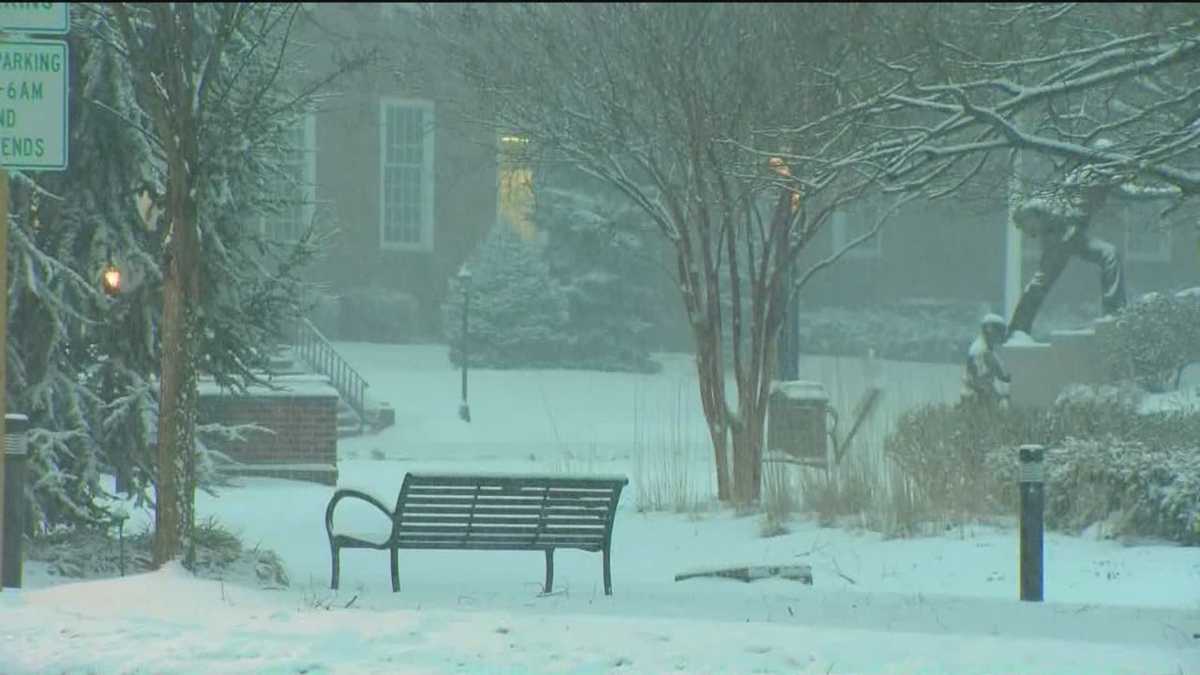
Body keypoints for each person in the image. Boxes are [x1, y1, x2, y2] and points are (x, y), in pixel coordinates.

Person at [1006, 140, 1181, 339]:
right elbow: (1131, 192)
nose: (1114, 162)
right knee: (1043, 281)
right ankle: (1017, 329)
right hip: (1062, 234)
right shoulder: (1091, 172)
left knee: (1108, 254)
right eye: (1110, 156)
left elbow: (1132, 191)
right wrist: (1041, 219)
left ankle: (1113, 312)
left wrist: (1167, 191)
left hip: (1075, 234)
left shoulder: (1098, 174)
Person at [962, 314, 1011, 409]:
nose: (1000, 338)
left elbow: (1001, 375)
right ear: (990, 332)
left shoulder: (987, 349)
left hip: (982, 397)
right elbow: (980, 381)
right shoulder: (980, 351)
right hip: (976, 400)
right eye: (999, 333)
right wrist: (998, 396)